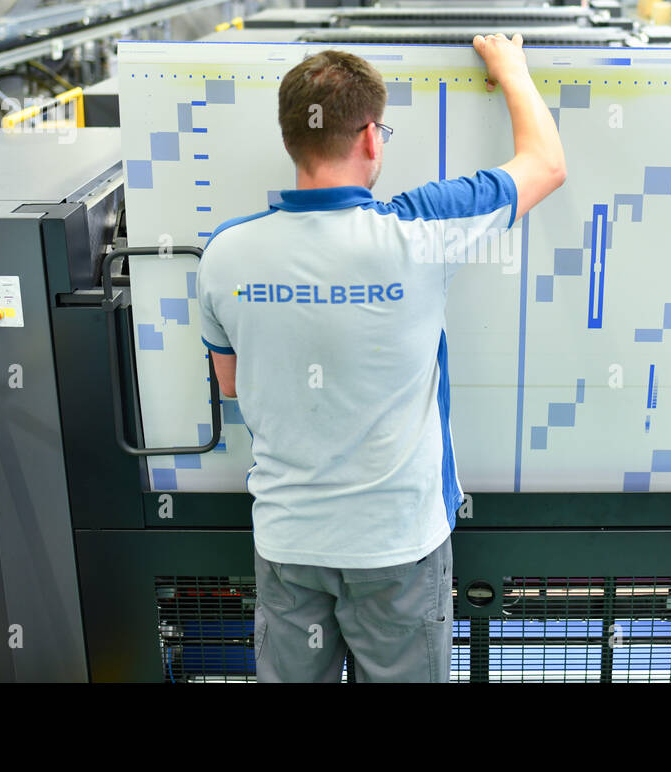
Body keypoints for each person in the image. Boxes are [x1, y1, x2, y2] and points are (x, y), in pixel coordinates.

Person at [196, 33, 565, 682]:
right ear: (371, 138)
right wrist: (511, 68)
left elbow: (229, 385)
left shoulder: (224, 254)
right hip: (397, 544)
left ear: (291, 138)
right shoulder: (419, 231)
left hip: (288, 542)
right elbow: (546, 165)